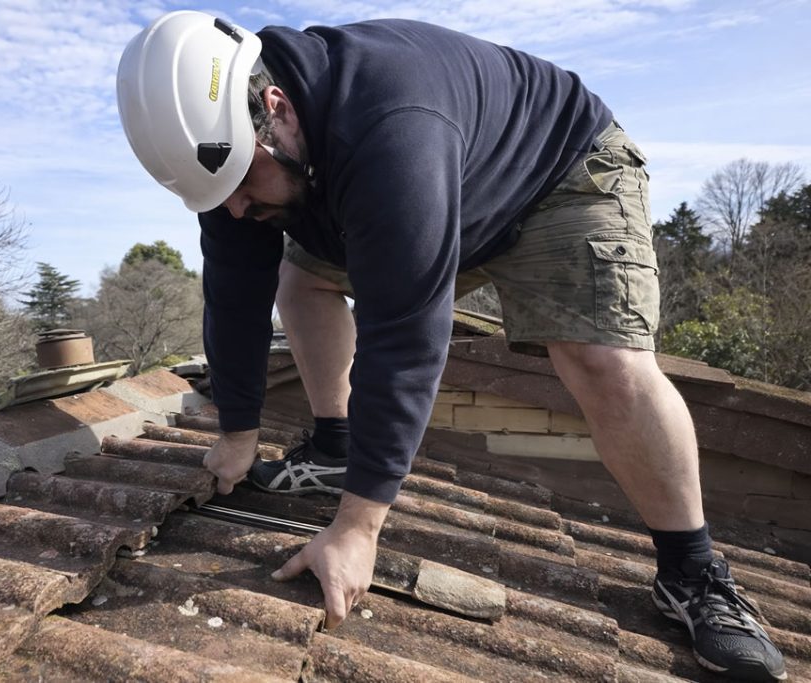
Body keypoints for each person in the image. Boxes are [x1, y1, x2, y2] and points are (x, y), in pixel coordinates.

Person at [116, 11, 786, 681]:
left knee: (599, 357)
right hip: (435, 180)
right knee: (302, 282)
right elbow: (236, 292)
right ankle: (334, 448)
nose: (234, 209)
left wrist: (357, 528)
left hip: (559, 173)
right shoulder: (223, 155)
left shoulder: (388, 128)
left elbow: (403, 336)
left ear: (276, 108)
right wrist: (237, 431)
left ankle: (693, 572)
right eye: (217, 196)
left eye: (241, 183)